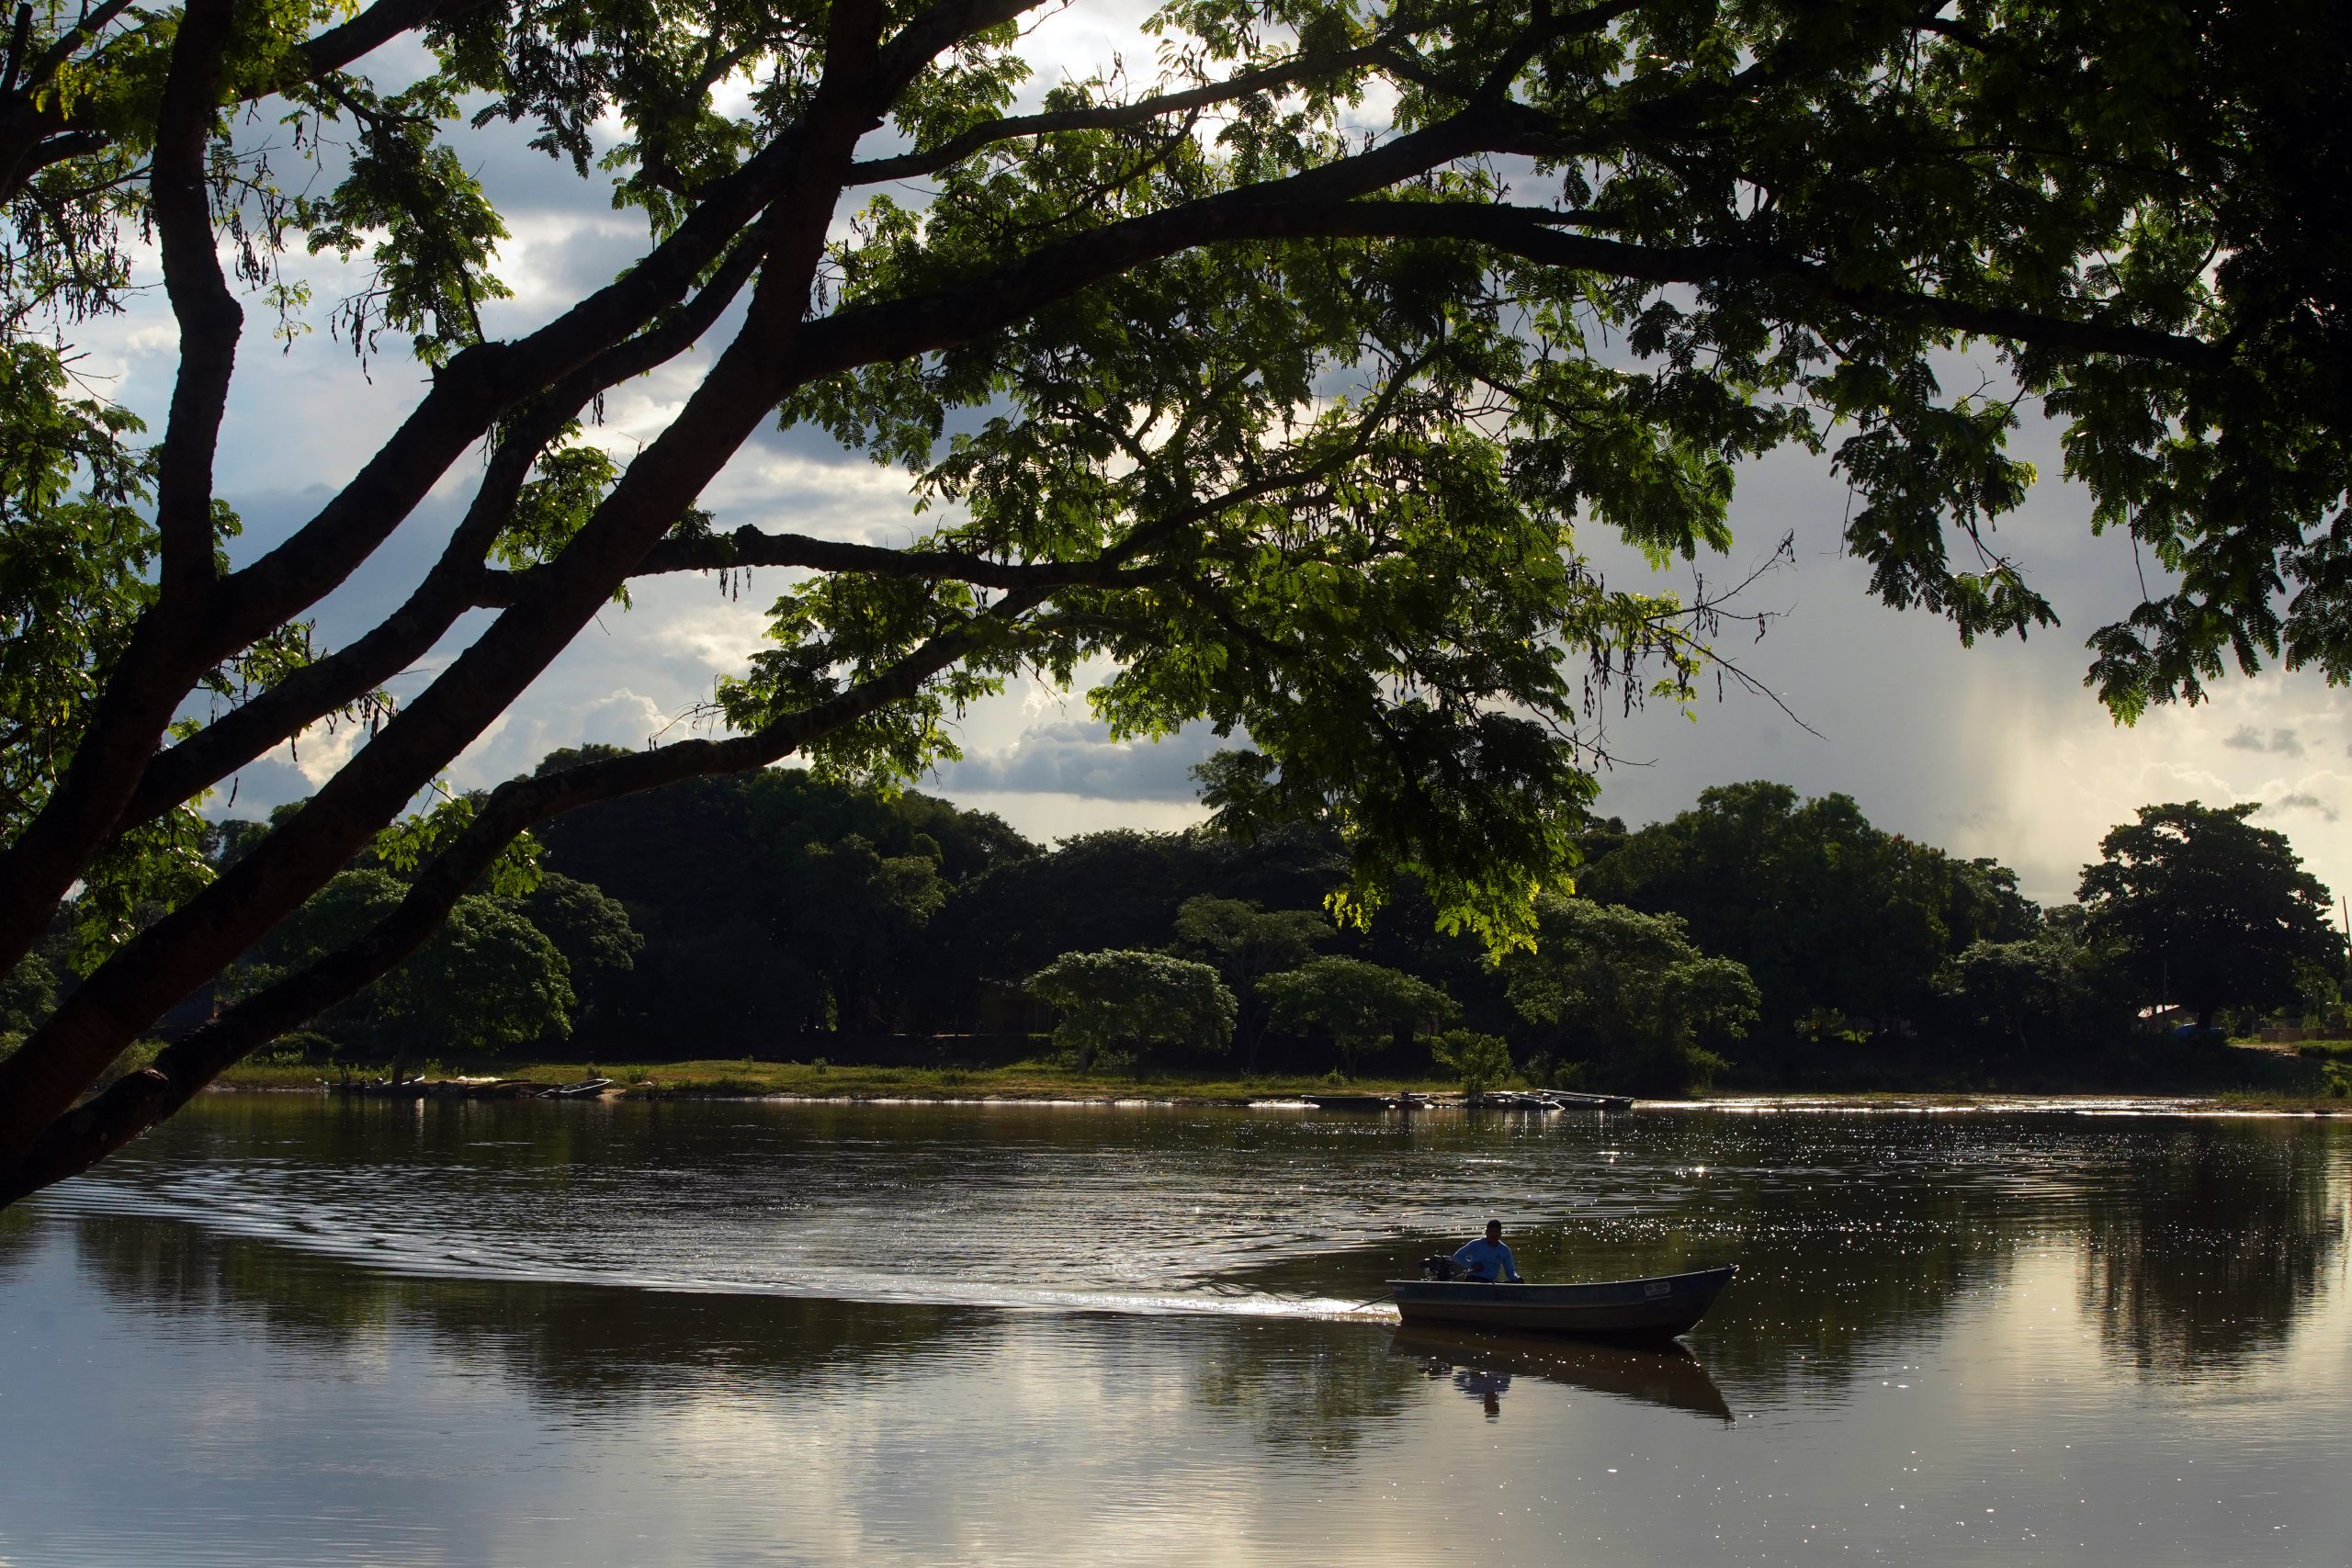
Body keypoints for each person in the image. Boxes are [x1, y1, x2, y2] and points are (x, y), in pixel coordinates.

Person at [1452, 1220, 1522, 1284]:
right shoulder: (1476, 1244)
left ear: (1500, 1234)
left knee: (1515, 1283)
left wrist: (1517, 1278)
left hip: (1490, 1282)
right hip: (1473, 1279)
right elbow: (1457, 1256)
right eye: (1491, 1231)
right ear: (1486, 1232)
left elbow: (1510, 1272)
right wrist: (1471, 1265)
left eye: (1496, 1232)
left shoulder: (1505, 1250)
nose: (1493, 1235)